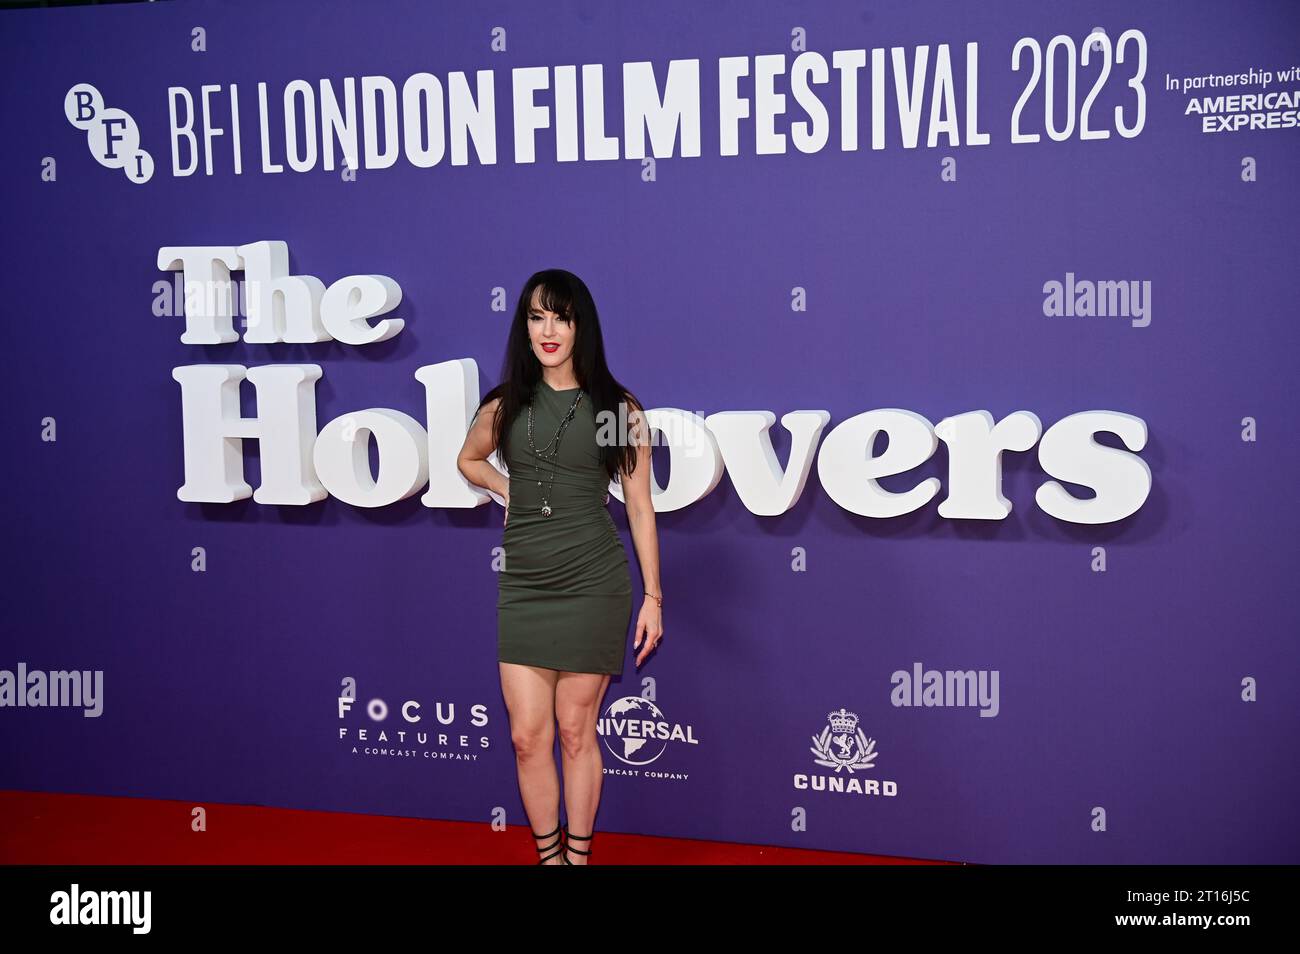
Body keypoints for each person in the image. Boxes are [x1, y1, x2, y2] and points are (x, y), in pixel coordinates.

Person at [456, 269, 664, 865]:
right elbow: (468, 460)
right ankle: (548, 859)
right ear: (523, 326)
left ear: (582, 327)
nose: (548, 330)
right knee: (527, 737)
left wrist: (654, 597)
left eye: (561, 318)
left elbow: (641, 507)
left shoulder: (613, 408)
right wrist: (507, 488)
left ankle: (577, 860)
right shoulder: (507, 404)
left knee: (576, 732)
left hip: (594, 584)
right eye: (536, 317)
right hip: (525, 585)